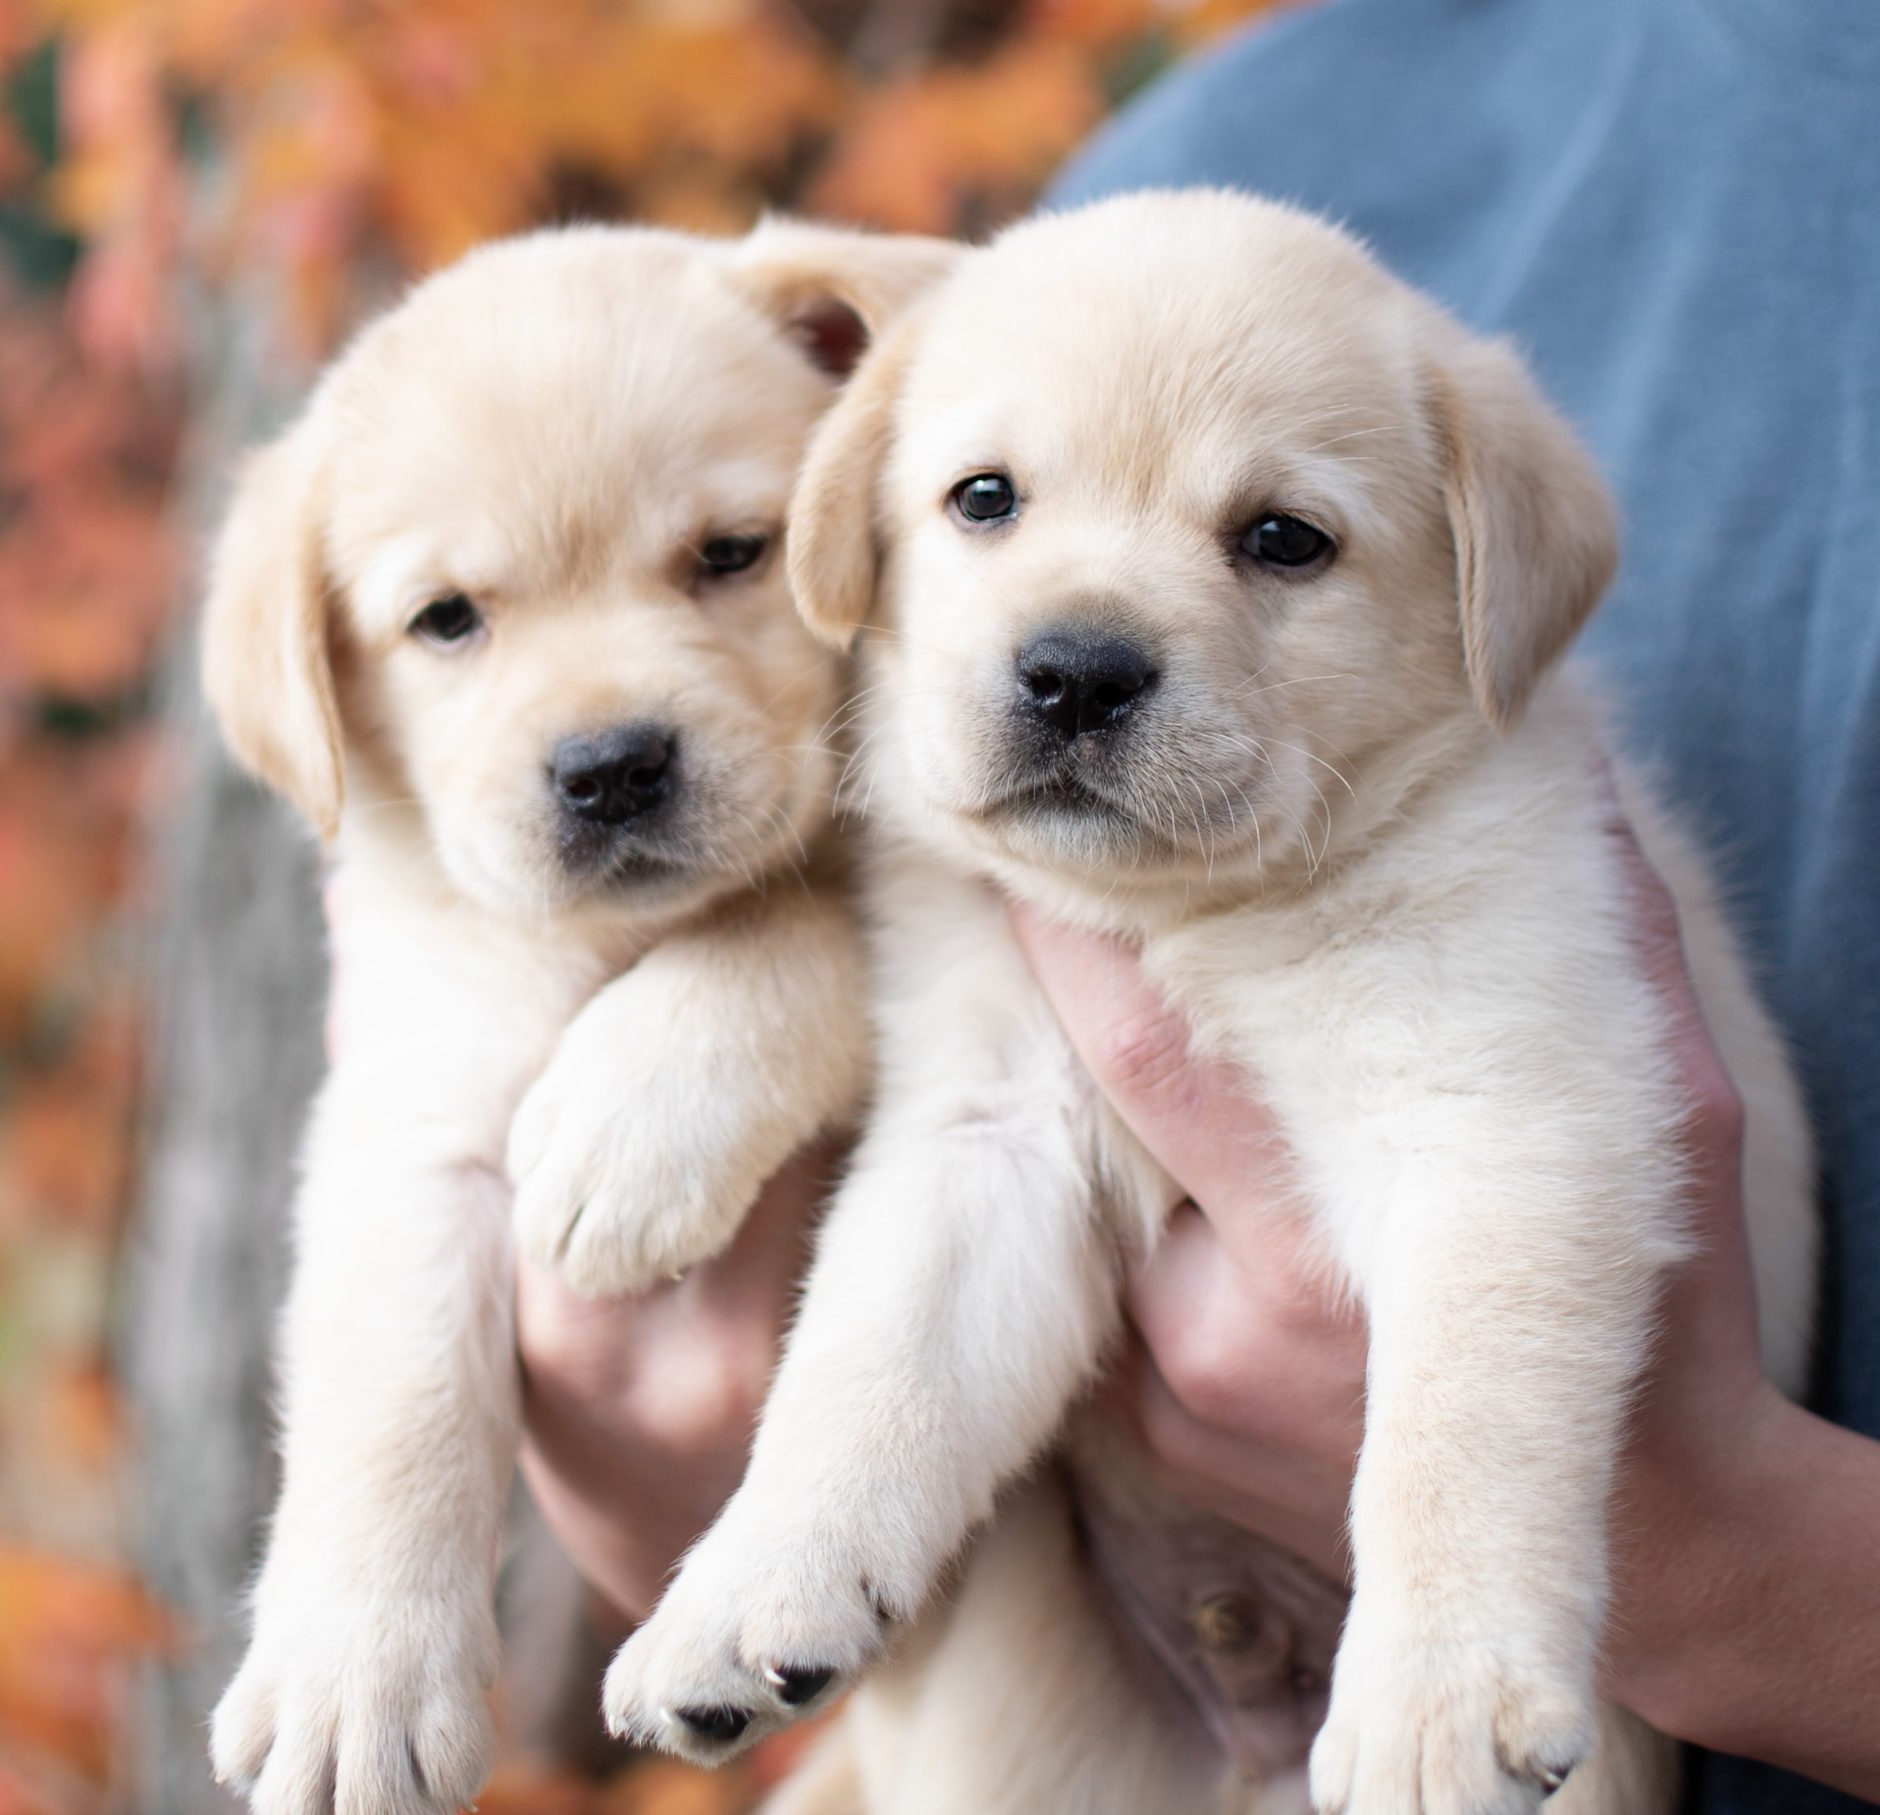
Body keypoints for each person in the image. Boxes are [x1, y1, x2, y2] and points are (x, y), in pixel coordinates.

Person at [509, 0, 1880, 1807]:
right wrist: (792, 1541)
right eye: (985, 502)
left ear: (1499, 604)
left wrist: (1471, 1615)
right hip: (1090, 1682)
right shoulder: (1239, 123)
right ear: (859, 531)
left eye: (1282, 540)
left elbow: (1495, 1180)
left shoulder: (1470, 827)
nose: (1083, 643)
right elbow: (985, 1177)